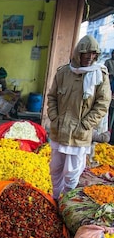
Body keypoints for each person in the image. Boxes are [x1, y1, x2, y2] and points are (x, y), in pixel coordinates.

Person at [47, 34, 112, 200]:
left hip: (79, 133)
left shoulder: (99, 75)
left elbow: (103, 103)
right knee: (55, 168)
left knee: (72, 171)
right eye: (86, 53)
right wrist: (54, 117)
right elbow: (52, 96)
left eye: (93, 54)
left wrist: (86, 124)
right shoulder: (63, 73)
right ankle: (55, 198)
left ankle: (67, 201)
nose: (89, 57)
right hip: (60, 130)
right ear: (78, 54)